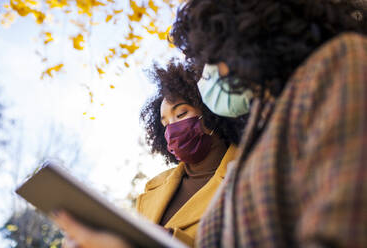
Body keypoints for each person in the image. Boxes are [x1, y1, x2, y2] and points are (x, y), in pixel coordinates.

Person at [168, 0, 367, 247]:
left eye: (211, 57)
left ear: (246, 36)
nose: (206, 75)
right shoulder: (262, 129)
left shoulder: (337, 64)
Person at [52, 61, 250, 247]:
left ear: (211, 113)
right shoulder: (153, 187)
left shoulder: (248, 171)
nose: (172, 129)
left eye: (181, 114)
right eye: (165, 124)